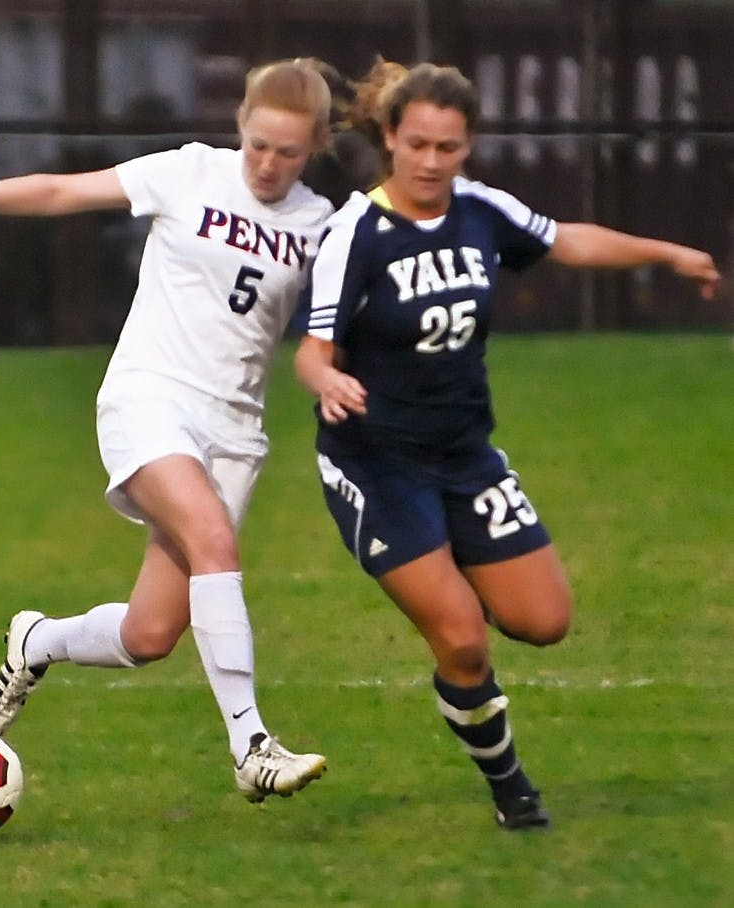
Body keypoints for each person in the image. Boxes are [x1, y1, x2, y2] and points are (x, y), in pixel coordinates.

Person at [294, 60, 721, 830]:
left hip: (464, 456)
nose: (431, 162)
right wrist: (325, 381)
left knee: (544, 620)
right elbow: (310, 350)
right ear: (390, 138)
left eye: (448, 148)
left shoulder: (481, 210)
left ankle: (448, 577)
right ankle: (510, 787)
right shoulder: (354, 233)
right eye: (417, 144)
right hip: (377, 463)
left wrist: (666, 253)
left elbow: (569, 241)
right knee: (462, 640)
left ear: (468, 148)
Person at [0, 59, 337, 803]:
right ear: (240, 127)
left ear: (315, 150)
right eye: (258, 145)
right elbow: (63, 191)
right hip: (151, 398)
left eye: (288, 152)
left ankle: (36, 641)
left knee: (149, 636)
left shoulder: (321, 225)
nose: (268, 164)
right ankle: (251, 746)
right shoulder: (190, 172)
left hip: (233, 433)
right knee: (213, 539)